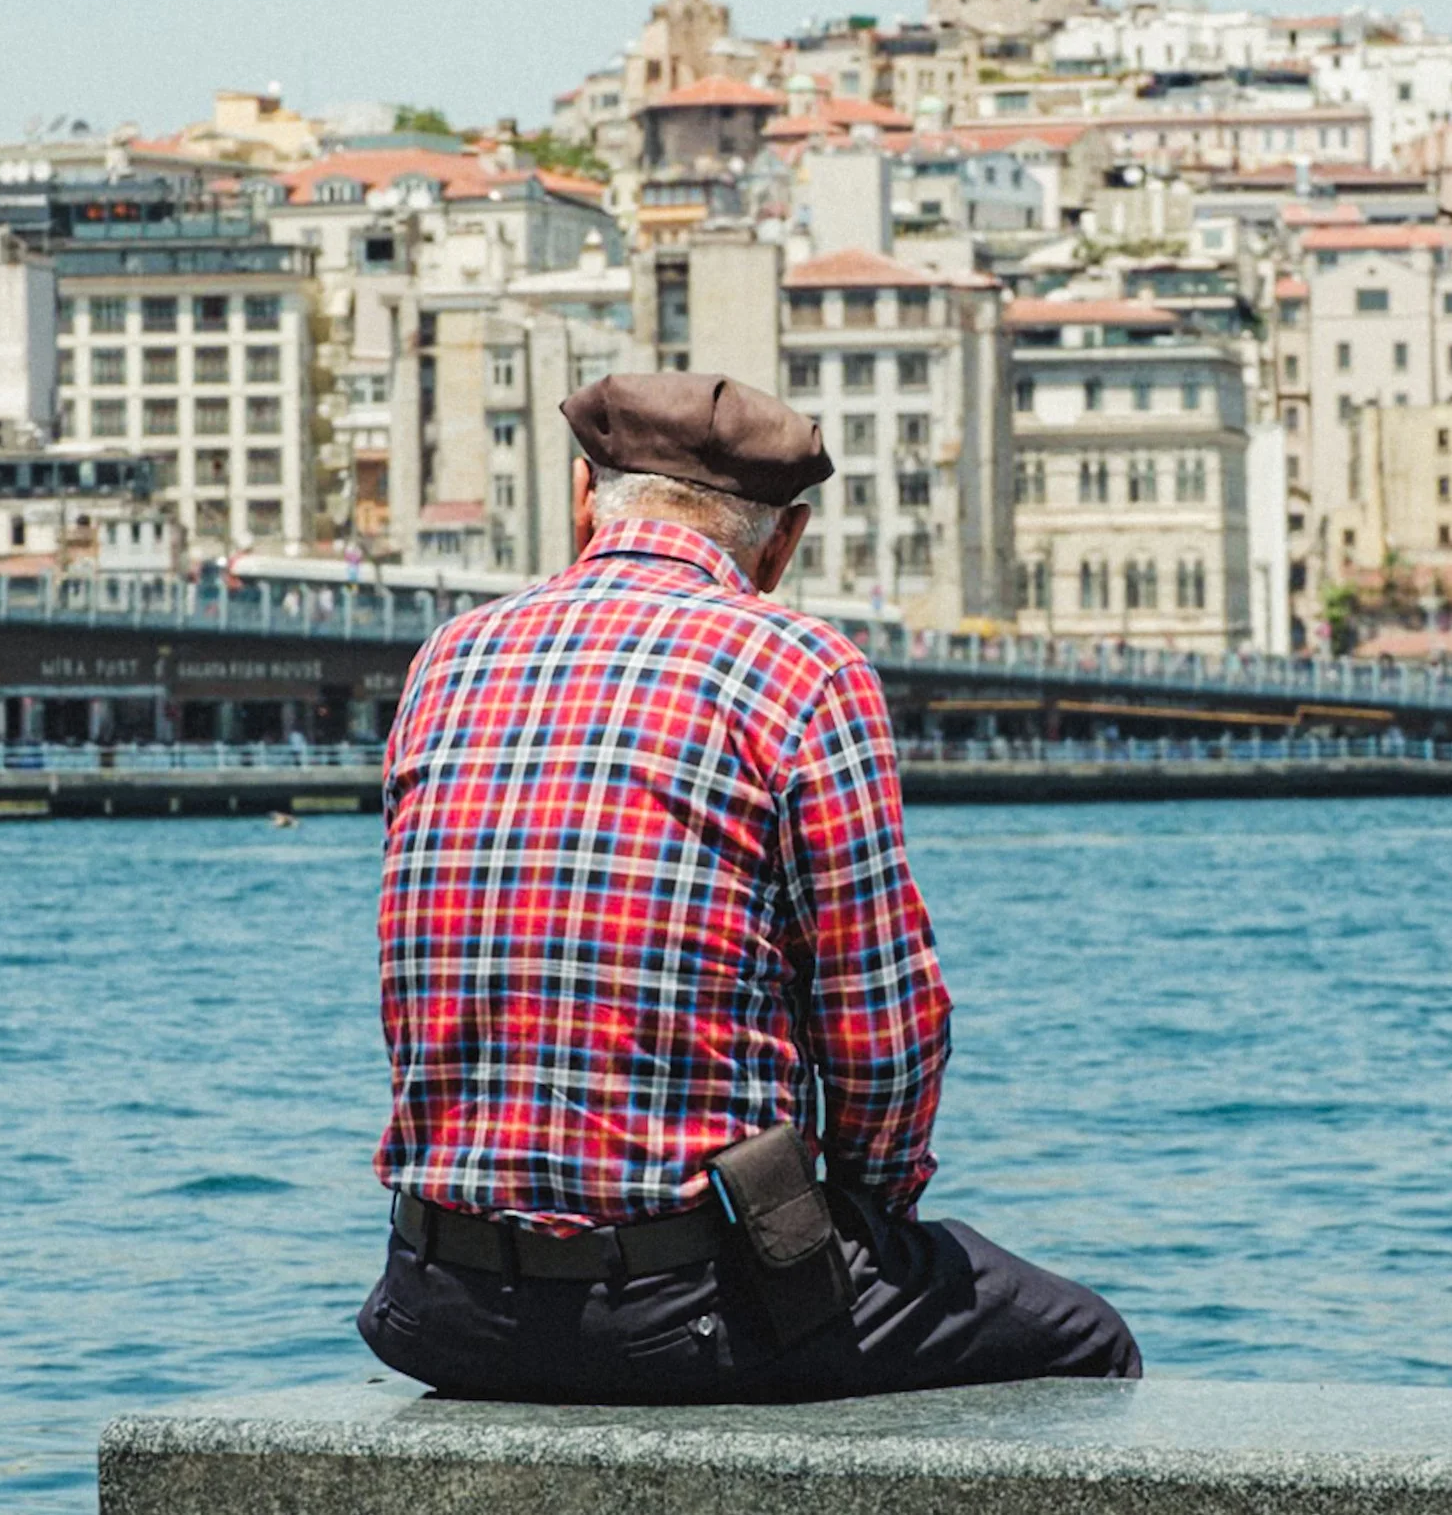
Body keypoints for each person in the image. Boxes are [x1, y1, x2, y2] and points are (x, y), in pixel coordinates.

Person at [358, 369, 1138, 1403]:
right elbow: (883, 1029)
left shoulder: (448, 659)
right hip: (688, 1305)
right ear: (784, 542)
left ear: (586, 503)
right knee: (1085, 1342)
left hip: (435, 1301)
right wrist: (867, 1211)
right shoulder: (802, 668)